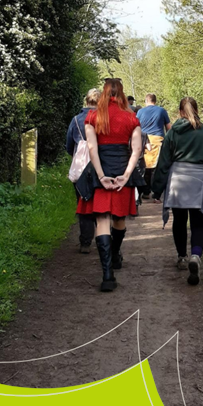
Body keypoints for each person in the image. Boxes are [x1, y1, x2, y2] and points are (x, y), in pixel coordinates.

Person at [76, 78, 144, 291]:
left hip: (101, 173)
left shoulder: (93, 117)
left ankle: (107, 275)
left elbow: (92, 149)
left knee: (102, 220)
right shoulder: (131, 118)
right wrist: (125, 175)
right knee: (119, 219)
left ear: (104, 94)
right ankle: (115, 256)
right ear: (122, 94)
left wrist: (101, 175)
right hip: (122, 169)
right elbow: (136, 150)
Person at [150, 97, 203, 285]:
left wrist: (157, 190)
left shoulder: (173, 133)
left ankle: (182, 257)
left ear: (180, 112)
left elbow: (164, 163)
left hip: (178, 181)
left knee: (180, 221)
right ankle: (196, 256)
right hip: (201, 181)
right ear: (196, 110)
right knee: (199, 222)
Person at [65, 88, 100, 253]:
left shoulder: (76, 120)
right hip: (101, 164)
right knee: (102, 203)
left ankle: (86, 241)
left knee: (84, 202)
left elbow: (69, 145)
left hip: (81, 166)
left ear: (86, 100)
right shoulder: (104, 119)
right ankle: (104, 240)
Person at [136, 93, 171, 199]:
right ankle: (156, 193)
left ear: (146, 101)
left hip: (143, 141)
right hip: (158, 140)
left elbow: (136, 126)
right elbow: (169, 128)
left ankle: (145, 192)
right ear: (155, 101)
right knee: (157, 168)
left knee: (144, 166)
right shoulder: (162, 111)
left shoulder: (140, 112)